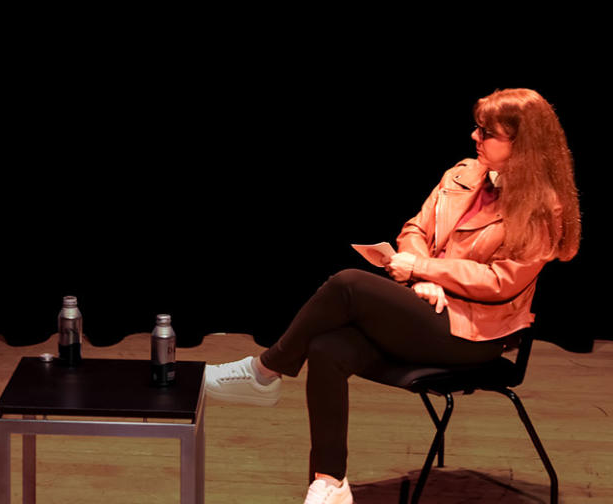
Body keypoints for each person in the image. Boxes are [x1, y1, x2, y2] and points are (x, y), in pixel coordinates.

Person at [204, 88, 581, 504]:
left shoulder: (544, 208)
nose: (475, 137)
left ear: (522, 144)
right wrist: (424, 279)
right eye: (477, 127)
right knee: (327, 347)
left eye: (487, 132)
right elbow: (414, 231)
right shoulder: (462, 175)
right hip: (427, 310)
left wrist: (424, 269)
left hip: (475, 336)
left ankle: (265, 372)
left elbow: (501, 282)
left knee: (348, 283)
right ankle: (330, 482)